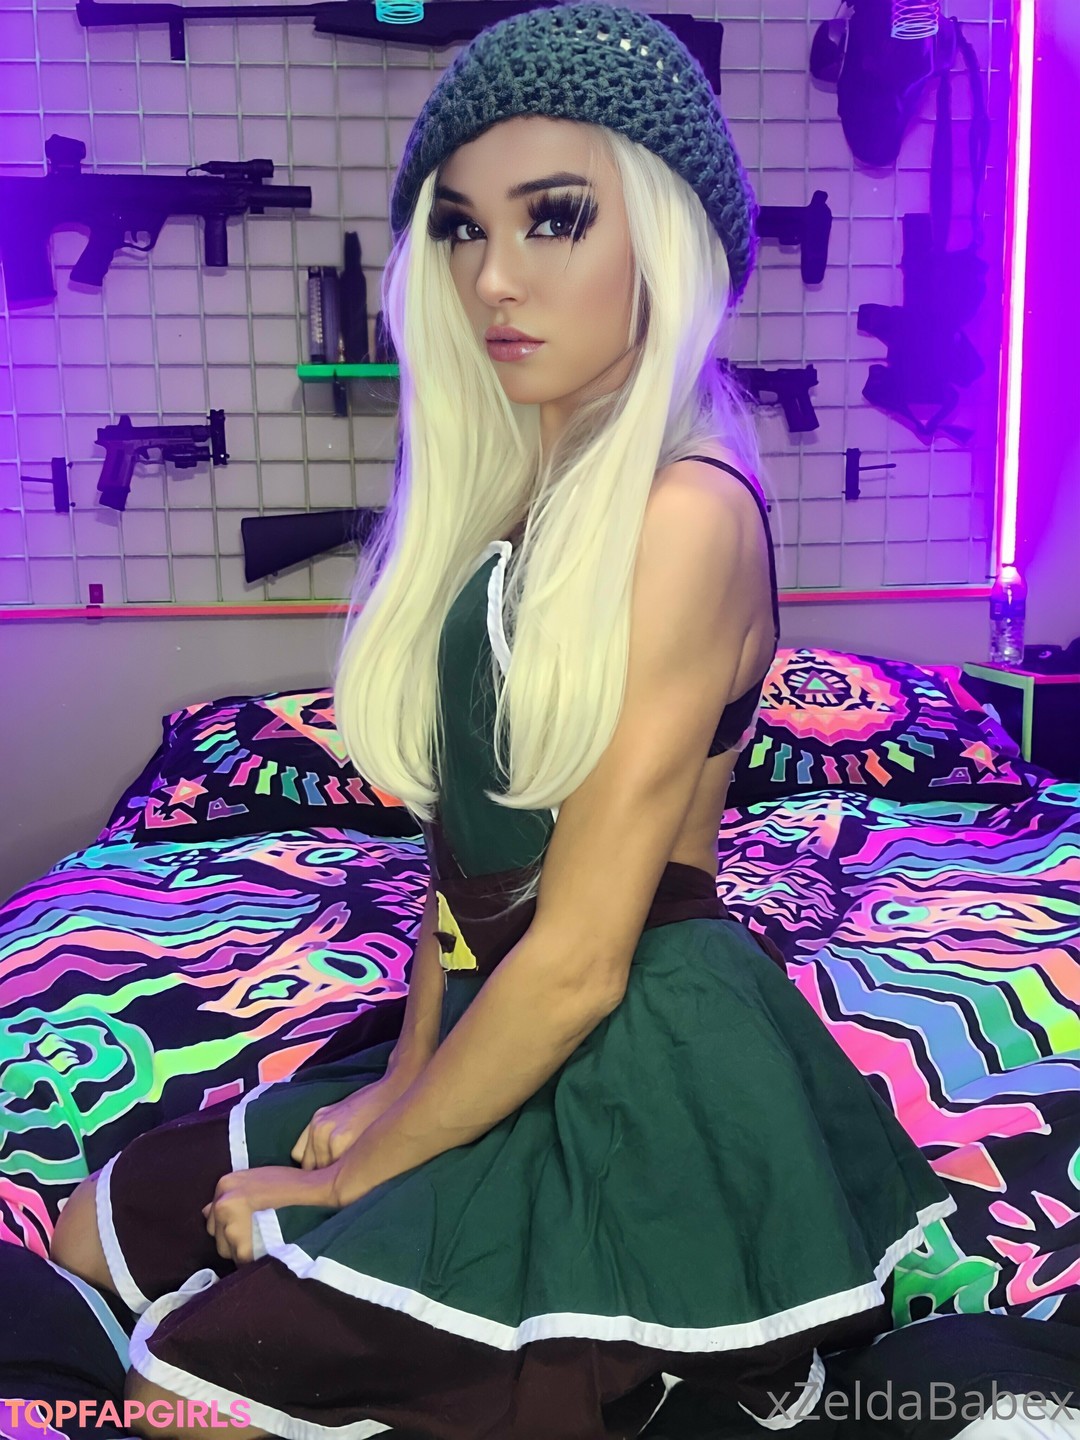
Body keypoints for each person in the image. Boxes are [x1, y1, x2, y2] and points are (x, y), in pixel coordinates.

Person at [49, 5, 957, 1437]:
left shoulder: (686, 512)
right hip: (491, 1009)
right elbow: (468, 879)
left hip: (632, 1040)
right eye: (462, 229)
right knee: (90, 1234)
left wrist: (357, 1176)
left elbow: (581, 959)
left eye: (556, 218)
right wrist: (400, 1088)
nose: (493, 277)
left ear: (665, 241)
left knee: (178, 1402)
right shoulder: (516, 502)